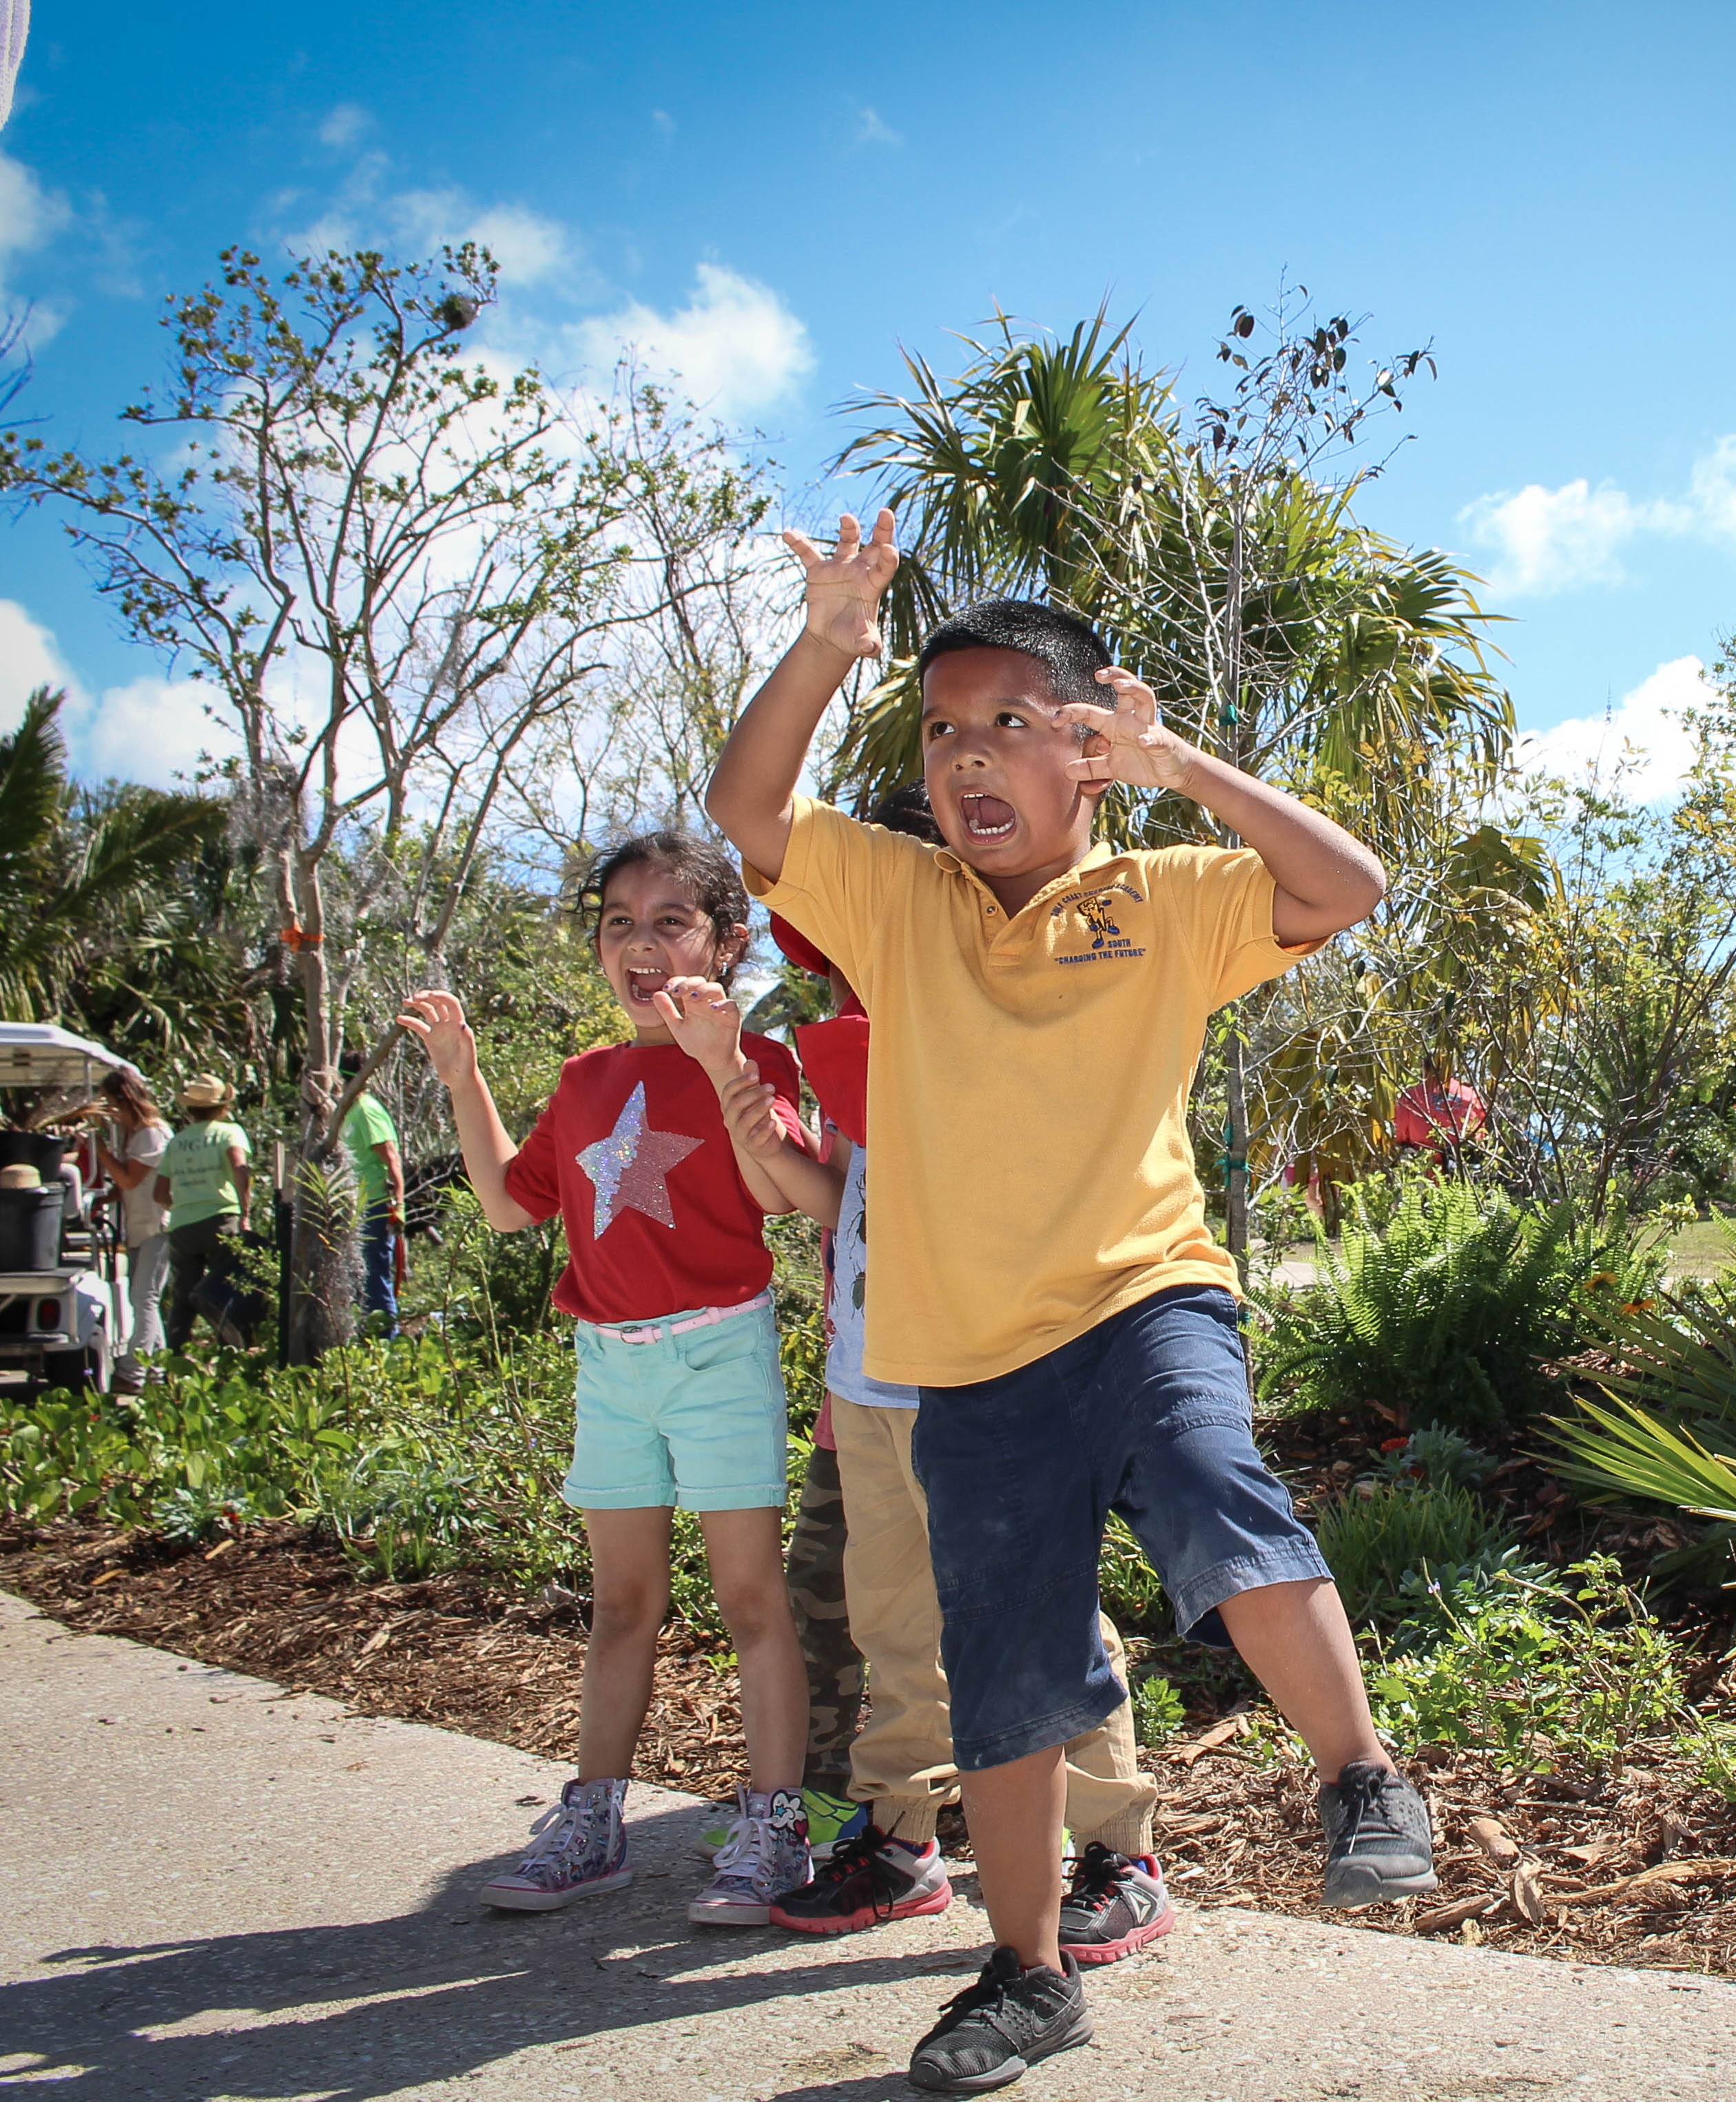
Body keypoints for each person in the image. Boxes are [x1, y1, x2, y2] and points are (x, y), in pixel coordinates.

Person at [705, 513, 1429, 2092]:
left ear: (1087, 749)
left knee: (1201, 1479)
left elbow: (1348, 881)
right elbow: (745, 808)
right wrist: (831, 637)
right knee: (1008, 1666)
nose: (968, 754)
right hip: (964, 1354)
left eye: (1011, 726)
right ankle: (1025, 1969)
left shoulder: (1166, 897)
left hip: (1143, 1290)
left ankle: (1361, 1774)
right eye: (944, 728)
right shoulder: (898, 898)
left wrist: (1194, 775)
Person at [399, 829, 825, 1930]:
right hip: (609, 1364)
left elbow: (778, 1193)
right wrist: (465, 1077)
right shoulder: (585, 1080)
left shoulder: (757, 1060)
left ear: (728, 943)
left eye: (672, 921)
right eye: (620, 923)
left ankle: (773, 1827)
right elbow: (507, 1202)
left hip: (720, 1350)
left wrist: (719, 1058)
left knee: (749, 1599)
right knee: (621, 1604)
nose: (643, 944)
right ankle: (592, 1824)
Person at [760, 830, 1172, 1964]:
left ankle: (1116, 1848)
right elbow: (843, 1198)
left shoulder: (1009, 994)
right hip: (873, 1371)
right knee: (893, 1623)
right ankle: (900, 1838)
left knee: (1046, 1616)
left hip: (996, 1371)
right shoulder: (852, 1013)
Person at [156, 1075, 251, 1358]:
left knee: (183, 1296)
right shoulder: (229, 1133)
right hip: (221, 1218)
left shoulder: (177, 1142)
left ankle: (174, 1360)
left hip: (183, 1225)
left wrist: (185, 1202)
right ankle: (231, 1356)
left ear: (190, 1110)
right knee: (227, 1292)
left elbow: (160, 1194)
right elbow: (240, 1168)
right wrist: (245, 1211)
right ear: (223, 1106)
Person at [86, 1071, 171, 1372]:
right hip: (139, 1226)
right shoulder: (136, 1135)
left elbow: (130, 1181)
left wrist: (101, 1151)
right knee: (145, 1300)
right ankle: (158, 1370)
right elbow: (128, 1184)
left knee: (143, 1297)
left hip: (156, 1226)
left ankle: (133, 1371)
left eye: (110, 1104)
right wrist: (104, 1199)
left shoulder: (151, 1134)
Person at [335, 1050, 406, 1327]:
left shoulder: (367, 1111)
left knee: (375, 1273)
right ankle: (368, 1332)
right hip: (357, 1206)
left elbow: (391, 1159)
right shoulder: (350, 1111)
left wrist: (398, 1205)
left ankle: (387, 1338)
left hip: (376, 1204)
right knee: (360, 1275)